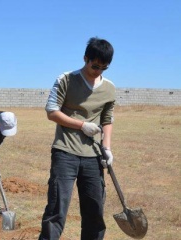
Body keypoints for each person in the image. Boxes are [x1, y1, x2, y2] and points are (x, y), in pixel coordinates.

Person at [39, 37, 115, 240]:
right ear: (85, 58)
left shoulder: (109, 88)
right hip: (65, 152)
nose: (98, 71)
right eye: (95, 65)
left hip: (93, 156)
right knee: (57, 209)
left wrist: (107, 147)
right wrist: (81, 125)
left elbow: (107, 119)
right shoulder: (66, 79)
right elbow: (51, 112)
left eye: (104, 68)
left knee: (95, 212)